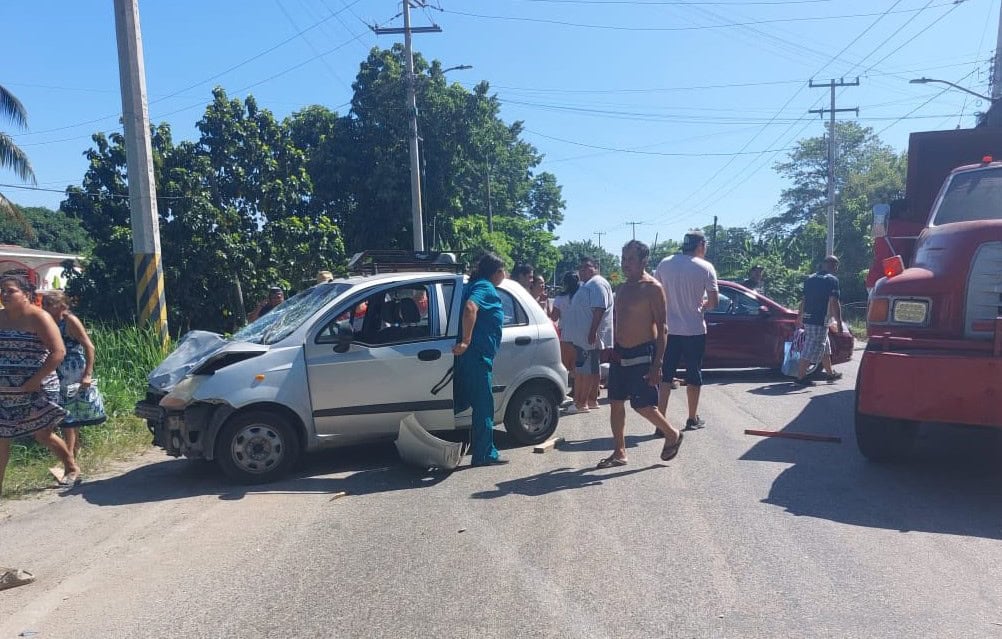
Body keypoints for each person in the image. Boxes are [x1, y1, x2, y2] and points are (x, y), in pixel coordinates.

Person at [597, 241, 683, 468]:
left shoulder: (653, 288)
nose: (625, 264)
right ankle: (619, 452)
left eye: (630, 259)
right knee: (615, 402)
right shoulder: (623, 288)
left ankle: (672, 433)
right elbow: (618, 322)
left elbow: (663, 328)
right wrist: (611, 348)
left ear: (644, 261)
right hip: (620, 353)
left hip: (643, 354)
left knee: (643, 405)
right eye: (623, 258)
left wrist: (657, 365)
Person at [0, 275, 80, 497]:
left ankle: (71, 467)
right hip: (6, 391)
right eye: (2, 291)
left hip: (39, 388)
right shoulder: (0, 318)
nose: (4, 295)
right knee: (2, 437)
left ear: (26, 294)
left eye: (10, 291)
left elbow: (58, 352)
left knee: (42, 434)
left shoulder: (39, 318)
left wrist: (35, 380)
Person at [654, 230, 718, 431]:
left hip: (668, 330)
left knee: (665, 375)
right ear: (700, 245)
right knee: (694, 374)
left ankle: (661, 422)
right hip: (694, 330)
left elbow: (656, 294)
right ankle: (692, 418)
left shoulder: (664, 264)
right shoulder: (705, 267)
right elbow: (714, 302)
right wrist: (702, 305)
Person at [453, 253, 509, 467]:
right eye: (503, 271)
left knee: (467, 401)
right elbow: (470, 308)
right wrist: (466, 341)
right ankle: (485, 453)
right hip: (476, 356)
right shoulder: (484, 287)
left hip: (474, 357)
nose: (505, 275)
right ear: (496, 272)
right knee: (484, 405)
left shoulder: (474, 284)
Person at [42, 291, 103, 455]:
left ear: (61, 305)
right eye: (44, 303)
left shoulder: (70, 321)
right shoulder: (46, 321)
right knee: (62, 413)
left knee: (69, 415)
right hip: (55, 369)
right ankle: (72, 451)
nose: (44, 307)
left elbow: (89, 346)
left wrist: (88, 374)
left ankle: (70, 455)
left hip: (72, 369)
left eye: (49, 303)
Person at [565, 256, 613, 414]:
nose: (583, 270)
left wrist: (592, 333)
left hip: (587, 337)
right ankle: (592, 400)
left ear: (596, 268)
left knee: (583, 370)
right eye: (581, 268)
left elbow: (599, 309)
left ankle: (581, 403)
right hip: (585, 336)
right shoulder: (589, 285)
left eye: (587, 267)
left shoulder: (597, 283)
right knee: (592, 369)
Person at [794, 255, 844, 386]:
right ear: (834, 266)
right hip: (820, 319)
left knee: (824, 347)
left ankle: (829, 373)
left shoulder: (810, 278)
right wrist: (839, 322)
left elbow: (804, 300)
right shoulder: (832, 280)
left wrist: (800, 316)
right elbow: (834, 302)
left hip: (808, 318)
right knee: (811, 347)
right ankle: (801, 377)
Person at [549, 271, 580, 394]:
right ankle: (578, 389)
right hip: (580, 332)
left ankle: (571, 389)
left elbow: (554, 317)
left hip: (565, 333)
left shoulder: (560, 298)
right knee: (577, 364)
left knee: (566, 363)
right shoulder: (581, 297)